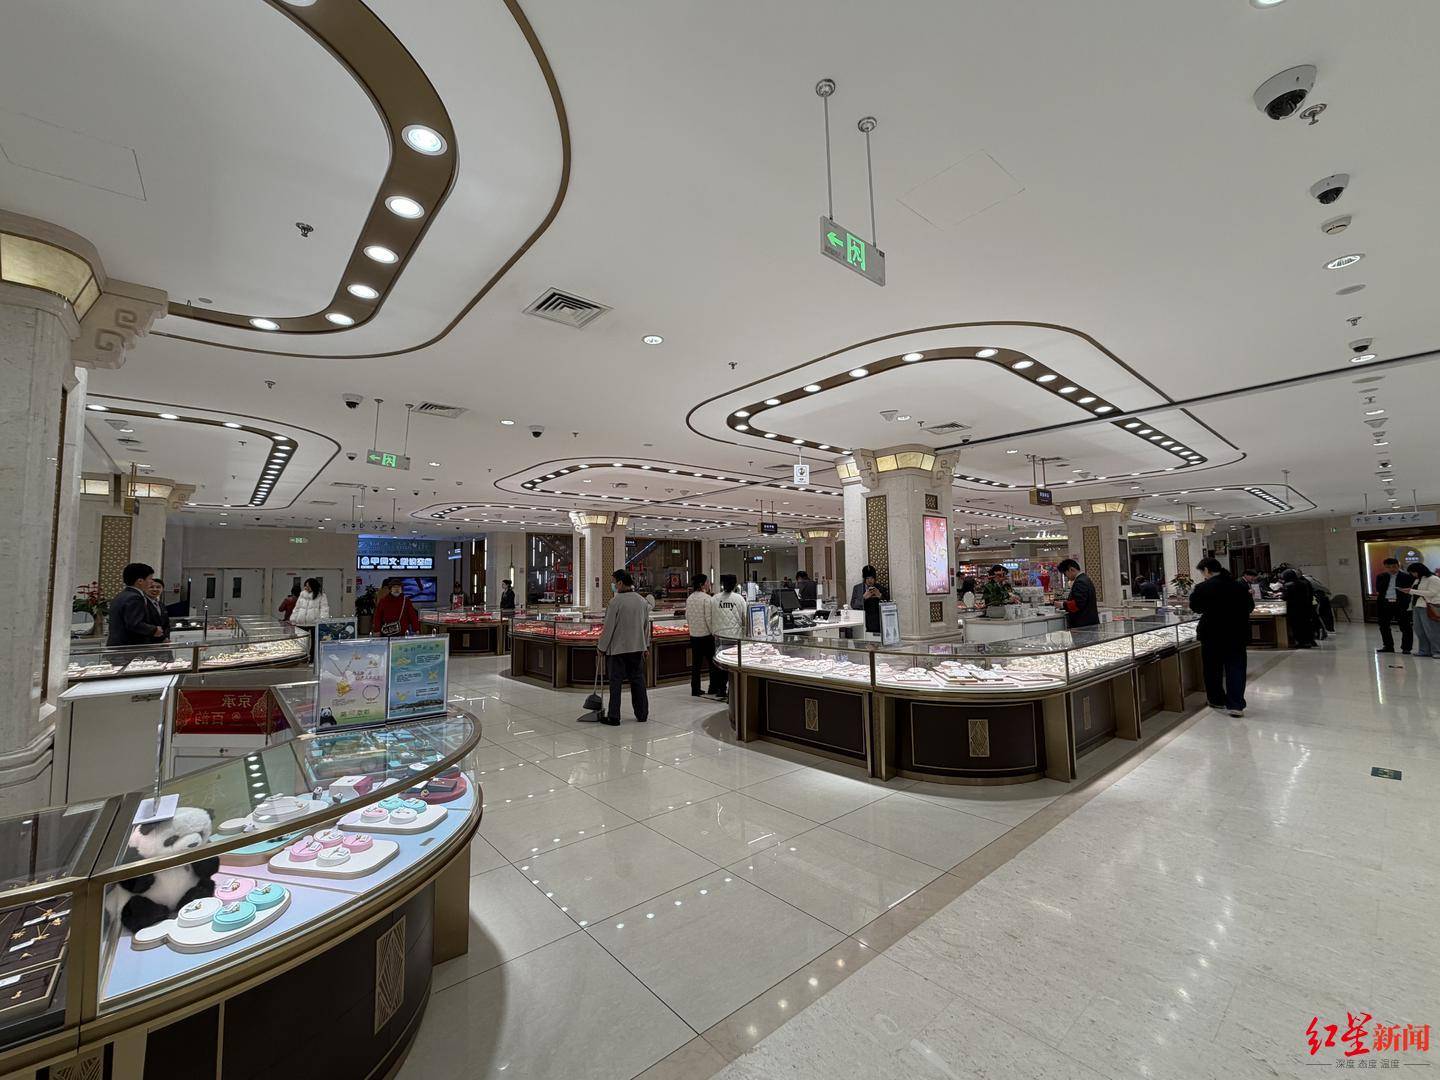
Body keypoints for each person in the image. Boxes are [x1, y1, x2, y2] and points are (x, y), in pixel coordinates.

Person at [1189, 557, 1254, 717]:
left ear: (1206, 570)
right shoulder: (1239, 586)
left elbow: (1196, 607)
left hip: (1212, 635)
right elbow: (1250, 607)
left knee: (1212, 669)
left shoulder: (1203, 587)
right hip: (1237, 634)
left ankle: (1216, 699)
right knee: (1236, 668)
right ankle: (1236, 704)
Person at [592, 570, 650, 726]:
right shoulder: (642, 601)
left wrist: (601, 647)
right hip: (637, 648)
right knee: (638, 681)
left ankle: (614, 716)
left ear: (620, 582)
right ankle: (642, 714)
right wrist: (646, 646)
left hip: (618, 650)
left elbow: (608, 628)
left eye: (613, 582)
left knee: (615, 683)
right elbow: (646, 626)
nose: (612, 585)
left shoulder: (615, 602)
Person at [107, 563, 166, 647]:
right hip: (128, 646)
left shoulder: (122, 595)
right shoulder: (134, 598)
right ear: (140, 581)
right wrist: (154, 630)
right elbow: (134, 623)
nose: (152, 582)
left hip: (118, 645)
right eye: (150, 579)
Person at [710, 574, 746, 702]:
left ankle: (720, 689)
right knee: (732, 665)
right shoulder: (739, 599)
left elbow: (710, 616)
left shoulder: (714, 599)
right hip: (734, 636)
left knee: (720, 663)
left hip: (719, 636)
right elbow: (745, 617)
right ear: (735, 584)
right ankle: (732, 691)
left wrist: (713, 630)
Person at [685, 573, 719, 698]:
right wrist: (713, 632)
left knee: (696, 664)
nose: (708, 584)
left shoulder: (690, 598)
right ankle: (713, 687)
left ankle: (695, 689)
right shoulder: (707, 599)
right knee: (712, 663)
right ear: (702, 584)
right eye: (707, 582)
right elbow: (709, 618)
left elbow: (687, 616)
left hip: (694, 635)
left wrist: (692, 629)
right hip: (706, 635)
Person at [1399, 563, 1440, 659]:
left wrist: (1411, 591)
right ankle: (1424, 650)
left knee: (1432, 630)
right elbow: (1415, 592)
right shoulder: (1418, 580)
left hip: (1428, 607)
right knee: (1419, 630)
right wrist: (1409, 591)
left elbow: (1432, 593)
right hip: (1417, 606)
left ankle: (1437, 651)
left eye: (1413, 572)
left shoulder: (1433, 579)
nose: (1412, 574)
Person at [1374, 557, 1414, 654]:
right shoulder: (1381, 576)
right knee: (1383, 626)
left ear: (1398, 566)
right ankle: (1388, 646)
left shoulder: (1406, 576)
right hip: (1385, 603)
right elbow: (1379, 589)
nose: (1392, 569)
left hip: (1401, 604)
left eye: (1394, 567)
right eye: (1388, 567)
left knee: (1405, 626)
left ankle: (1406, 648)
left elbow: (1410, 590)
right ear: (1385, 567)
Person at [1055, 559, 1099, 628]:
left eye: (1065, 573)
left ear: (1071, 569)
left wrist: (1062, 604)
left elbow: (1078, 604)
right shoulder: (1085, 578)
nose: (1066, 577)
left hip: (1083, 624)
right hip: (1089, 622)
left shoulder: (1080, 582)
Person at [849, 565, 889, 634]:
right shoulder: (857, 588)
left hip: (876, 624)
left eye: (872, 578)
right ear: (864, 579)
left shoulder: (880, 588)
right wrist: (863, 598)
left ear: (875, 578)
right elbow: (853, 605)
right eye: (867, 578)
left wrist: (880, 596)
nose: (870, 581)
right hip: (861, 622)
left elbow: (888, 605)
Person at [1280, 569, 1315, 648]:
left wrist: (1282, 594)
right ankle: (1308, 641)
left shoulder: (1289, 585)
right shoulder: (1303, 583)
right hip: (1305, 607)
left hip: (1294, 608)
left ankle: (1300, 642)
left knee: (1296, 626)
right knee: (1305, 625)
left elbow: (1285, 597)